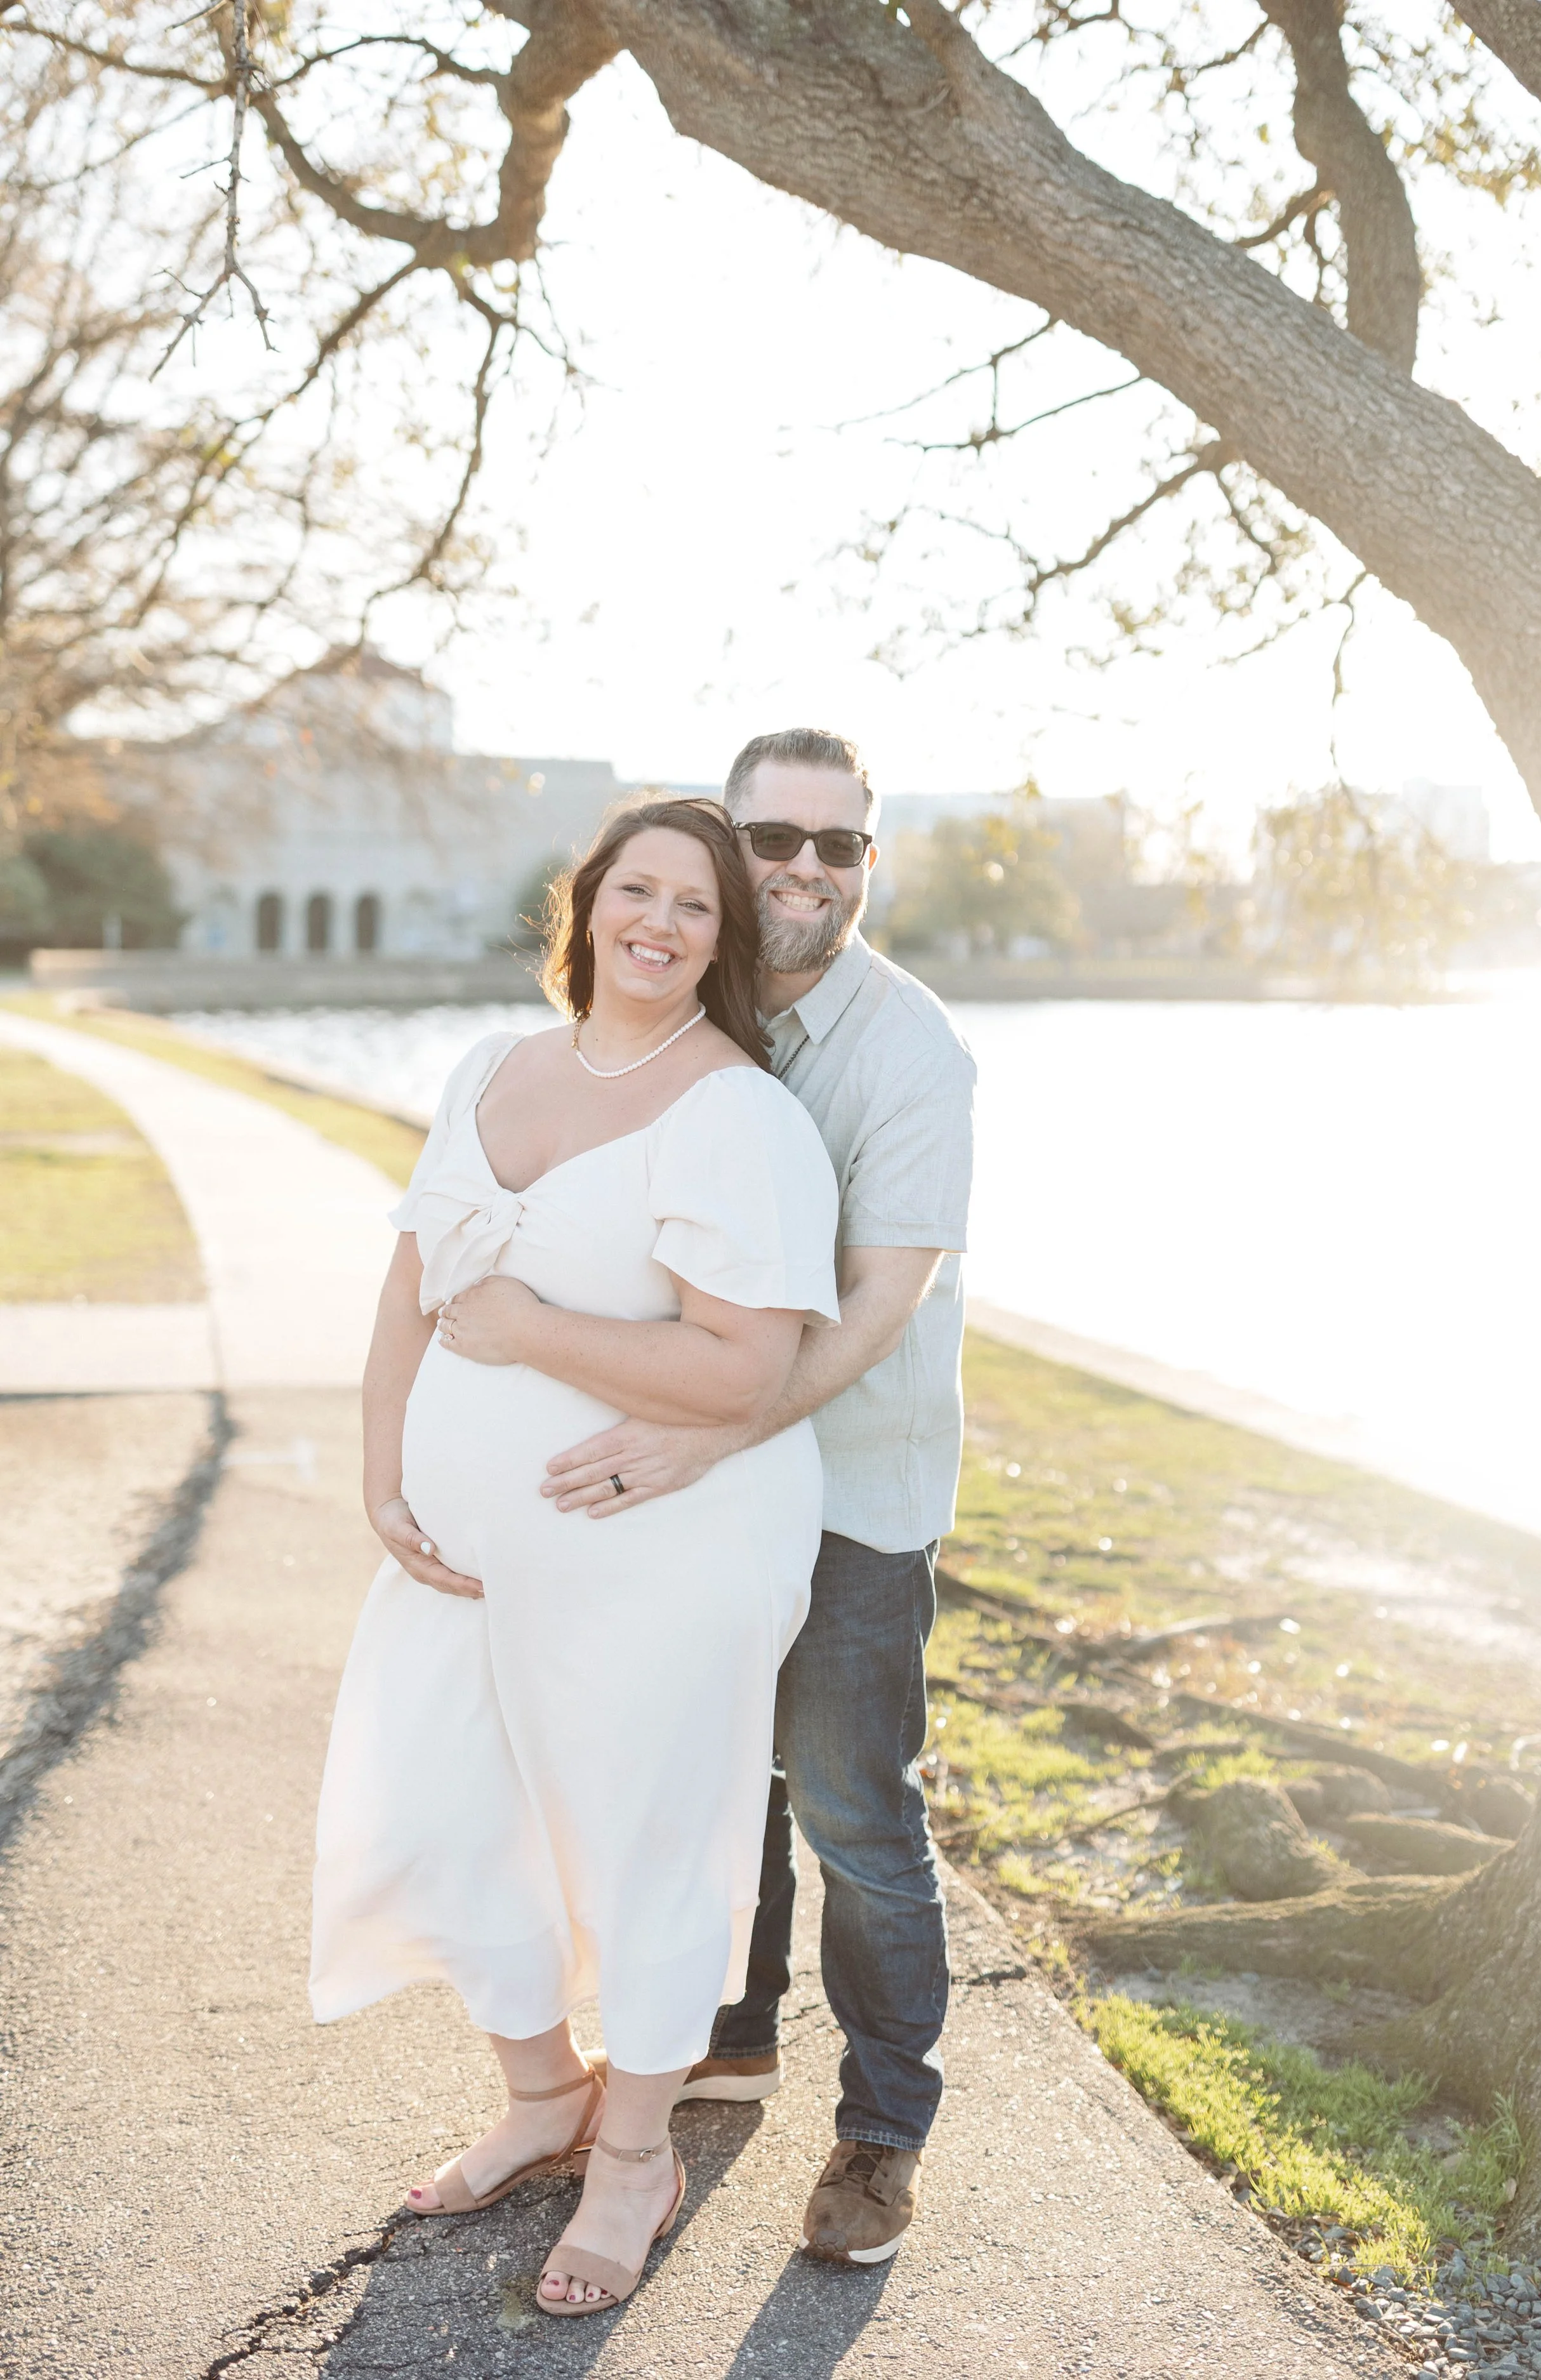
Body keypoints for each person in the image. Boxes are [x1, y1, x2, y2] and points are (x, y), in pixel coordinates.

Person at [309, 795, 840, 2318]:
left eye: (696, 907)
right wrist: (381, 1470)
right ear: (588, 900)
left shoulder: (734, 1114)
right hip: (464, 1542)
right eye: (639, 889)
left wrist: (532, 1329)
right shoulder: (491, 1066)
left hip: (663, 1546)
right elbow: (412, 1282)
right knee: (450, 1803)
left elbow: (745, 1370)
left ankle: (632, 2160)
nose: (660, 922)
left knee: (645, 1832)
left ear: (723, 943)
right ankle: (541, 2099)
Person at [543, 729, 977, 2265]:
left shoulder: (909, 1049)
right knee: (729, 1775)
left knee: (855, 1811)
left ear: (871, 861)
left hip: (850, 1486)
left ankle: (879, 2137)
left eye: (838, 847)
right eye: (771, 839)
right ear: (724, 849)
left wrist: (715, 1430)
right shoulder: (690, 1005)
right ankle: (727, 2036)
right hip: (706, 1484)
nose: (803, 868)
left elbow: (873, 1310)